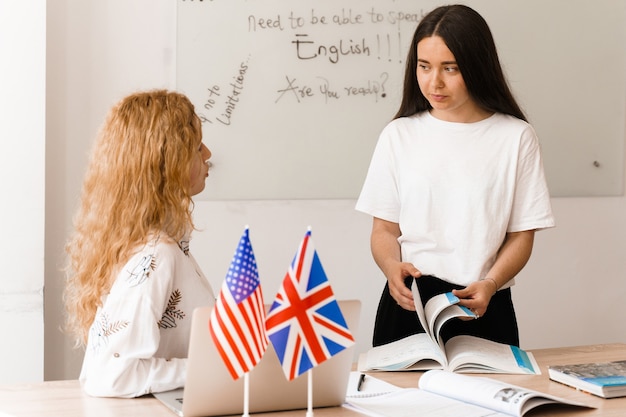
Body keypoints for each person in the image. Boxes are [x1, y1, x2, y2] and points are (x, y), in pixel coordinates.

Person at [355, 5, 555, 348]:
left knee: (488, 402)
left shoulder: (516, 137)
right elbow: (385, 230)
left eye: (451, 68)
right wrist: (391, 268)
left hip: (481, 303)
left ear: (477, 67)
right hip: (409, 302)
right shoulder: (399, 135)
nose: (435, 82)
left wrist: (491, 284)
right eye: (424, 67)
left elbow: (522, 235)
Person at [63, 90, 216, 397]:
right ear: (166, 160)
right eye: (197, 146)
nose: (208, 153)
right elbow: (113, 375)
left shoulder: (154, 244)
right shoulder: (157, 254)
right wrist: (222, 367)